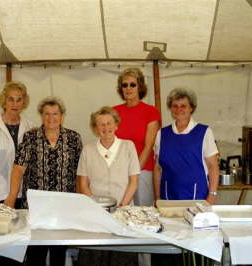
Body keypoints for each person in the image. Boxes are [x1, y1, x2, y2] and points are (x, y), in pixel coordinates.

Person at [4, 96, 82, 266]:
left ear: (62, 116)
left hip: (63, 206)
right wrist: (11, 196)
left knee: (58, 253)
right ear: (41, 115)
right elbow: (18, 169)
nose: (51, 118)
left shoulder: (74, 138)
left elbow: (80, 173)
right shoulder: (31, 137)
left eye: (55, 113)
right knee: (35, 253)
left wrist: (81, 201)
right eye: (46, 114)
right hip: (36, 207)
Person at [153, 88, 219, 205]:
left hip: (197, 199)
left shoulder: (204, 132)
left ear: (191, 108)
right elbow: (157, 168)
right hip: (168, 199)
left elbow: (213, 166)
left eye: (183, 106)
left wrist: (212, 196)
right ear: (170, 108)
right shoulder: (162, 134)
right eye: (175, 106)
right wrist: (158, 197)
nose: (179, 109)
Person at [113, 67, 160, 208]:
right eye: (124, 84)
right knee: (120, 211)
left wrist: (134, 173)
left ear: (140, 86)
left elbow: (148, 146)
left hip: (143, 170)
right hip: (119, 171)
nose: (128, 88)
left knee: (142, 212)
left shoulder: (151, 112)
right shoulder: (114, 111)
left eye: (132, 84)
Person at [77, 106, 139, 206]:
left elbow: (134, 182)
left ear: (116, 125)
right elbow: (83, 185)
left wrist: (122, 206)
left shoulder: (128, 146)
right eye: (101, 124)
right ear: (95, 129)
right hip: (97, 209)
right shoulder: (87, 150)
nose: (106, 127)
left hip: (123, 206)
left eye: (109, 123)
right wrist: (96, 206)